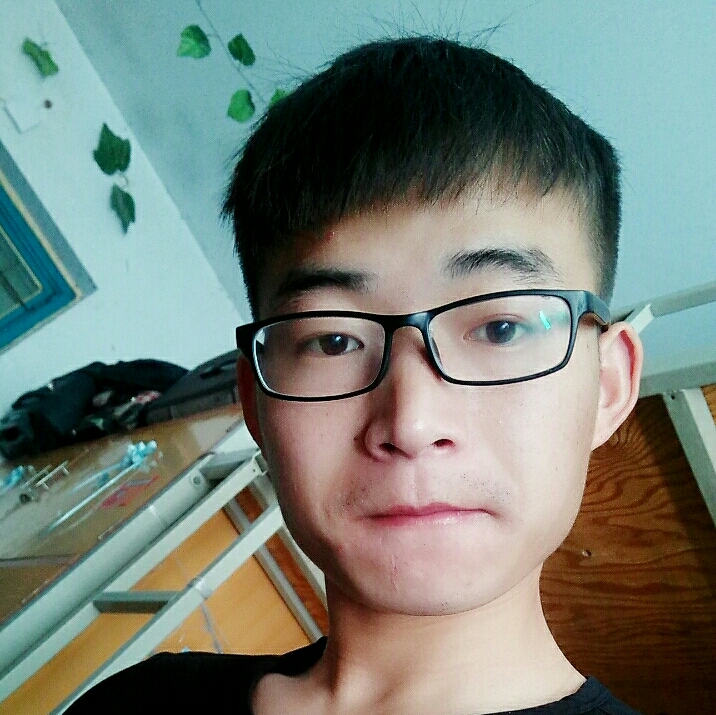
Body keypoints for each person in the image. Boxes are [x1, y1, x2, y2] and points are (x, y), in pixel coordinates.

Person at [67, 36, 644, 714]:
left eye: (500, 328)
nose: (411, 422)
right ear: (255, 403)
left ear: (608, 385)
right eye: (334, 340)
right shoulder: (139, 704)